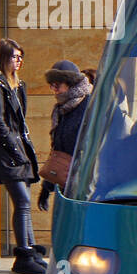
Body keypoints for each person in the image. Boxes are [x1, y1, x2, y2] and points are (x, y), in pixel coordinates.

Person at [0, 39, 44, 274]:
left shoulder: (15, 84)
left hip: (16, 148)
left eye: (21, 56)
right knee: (22, 201)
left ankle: (30, 251)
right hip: (5, 150)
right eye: (15, 56)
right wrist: (13, 148)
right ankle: (23, 255)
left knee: (24, 201)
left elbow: (19, 120)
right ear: (3, 57)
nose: (19, 60)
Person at [37, 60, 93, 213]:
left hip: (85, 182)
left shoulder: (89, 105)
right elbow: (58, 150)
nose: (54, 90)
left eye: (57, 85)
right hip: (67, 181)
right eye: (51, 86)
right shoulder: (61, 109)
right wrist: (47, 186)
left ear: (70, 83)